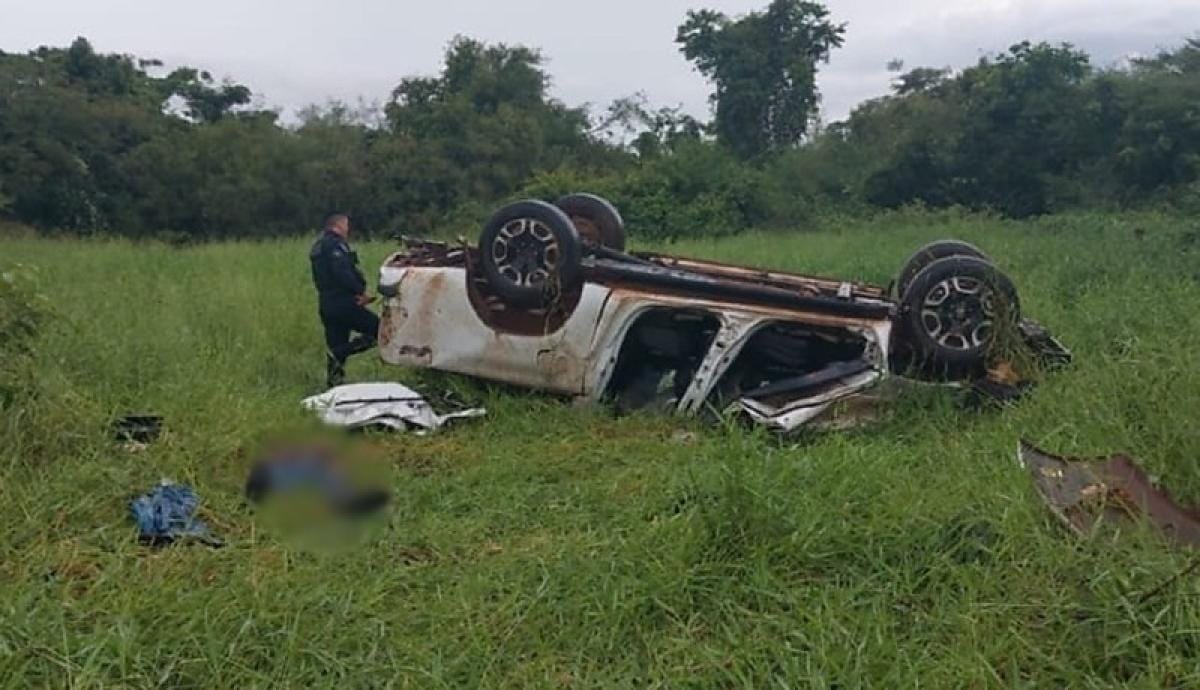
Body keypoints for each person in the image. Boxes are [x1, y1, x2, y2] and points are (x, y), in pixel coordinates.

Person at [310, 213, 379, 388]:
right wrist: (360, 291)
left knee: (336, 343)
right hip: (344, 302)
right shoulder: (335, 245)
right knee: (380, 331)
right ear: (338, 226)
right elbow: (342, 272)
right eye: (346, 225)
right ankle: (341, 352)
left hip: (326, 303)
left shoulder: (318, 246)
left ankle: (334, 385)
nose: (348, 229)